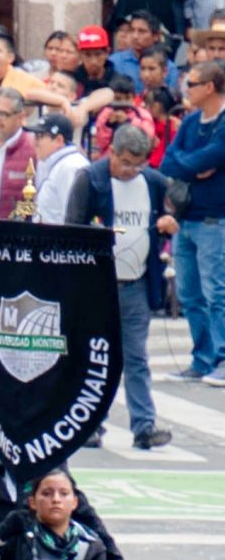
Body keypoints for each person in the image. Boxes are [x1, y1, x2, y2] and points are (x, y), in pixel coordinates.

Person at [68, 124, 177, 447]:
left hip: (136, 283)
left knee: (136, 358)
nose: (131, 170)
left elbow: (163, 222)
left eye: (138, 163)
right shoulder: (91, 180)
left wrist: (167, 227)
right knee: (95, 357)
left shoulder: (153, 183)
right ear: (111, 152)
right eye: (126, 162)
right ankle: (90, 424)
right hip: (98, 284)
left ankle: (143, 426)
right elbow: (72, 228)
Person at [162, 60, 225, 385]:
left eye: (193, 84)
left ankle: (222, 357)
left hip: (216, 218)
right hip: (186, 218)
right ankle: (203, 358)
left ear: (210, 87)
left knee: (217, 292)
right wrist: (193, 167)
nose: (187, 90)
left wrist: (190, 164)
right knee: (190, 293)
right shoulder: (189, 123)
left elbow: (212, 157)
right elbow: (168, 160)